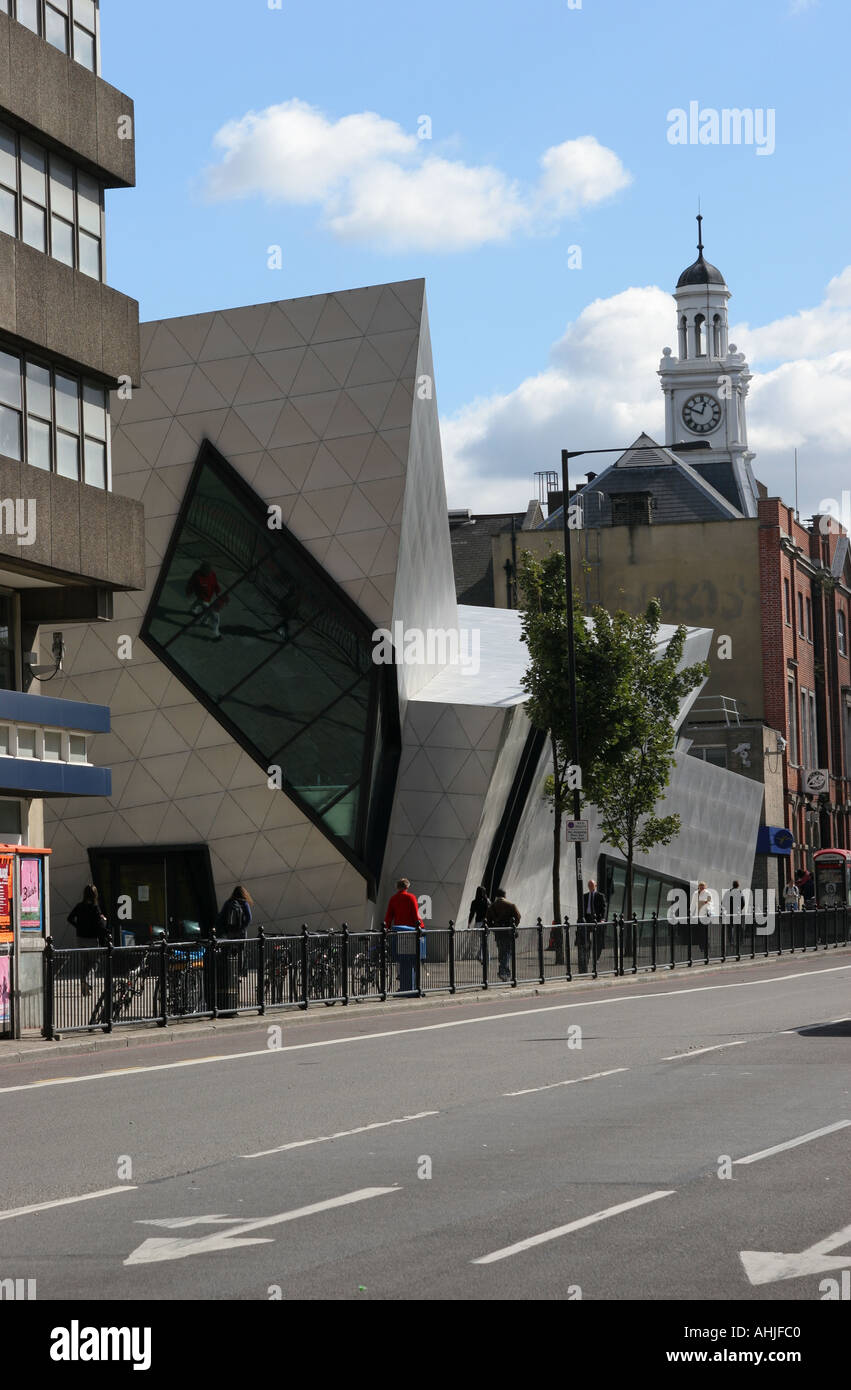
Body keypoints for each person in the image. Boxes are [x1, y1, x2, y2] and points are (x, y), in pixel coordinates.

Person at [67, 884, 109, 997]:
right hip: (92, 939)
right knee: (94, 963)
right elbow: (100, 925)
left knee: (85, 963)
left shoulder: (79, 906)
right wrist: (104, 920)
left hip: (80, 938)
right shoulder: (95, 908)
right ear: (95, 894)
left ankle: (85, 987)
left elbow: (69, 918)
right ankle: (87, 982)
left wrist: (78, 926)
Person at [384, 878, 424, 995]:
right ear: (407, 886)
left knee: (401, 958)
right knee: (413, 959)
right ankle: (414, 986)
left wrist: (386, 929)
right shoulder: (410, 897)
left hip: (399, 932)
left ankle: (403, 983)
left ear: (397, 887)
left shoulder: (393, 899)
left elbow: (388, 916)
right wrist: (421, 927)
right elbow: (415, 914)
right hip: (411, 932)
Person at [216, 885, 253, 978]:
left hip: (230, 932)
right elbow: (249, 917)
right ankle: (239, 973)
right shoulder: (244, 903)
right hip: (241, 932)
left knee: (227, 950)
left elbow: (221, 917)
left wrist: (224, 930)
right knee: (241, 952)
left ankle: (227, 971)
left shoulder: (228, 903)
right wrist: (242, 928)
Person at [485, 888, 520, 983]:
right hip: (508, 933)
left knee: (501, 952)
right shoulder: (511, 906)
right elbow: (518, 917)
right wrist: (513, 926)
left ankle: (505, 972)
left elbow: (488, 921)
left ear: (496, 896)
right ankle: (503, 971)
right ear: (505, 895)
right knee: (507, 952)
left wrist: (495, 928)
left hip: (498, 933)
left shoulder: (491, 907)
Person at [186, 560, 224, 640]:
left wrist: (218, 592)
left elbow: (215, 583)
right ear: (202, 570)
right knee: (215, 615)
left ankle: (194, 611)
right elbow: (191, 583)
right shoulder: (197, 576)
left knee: (200, 605)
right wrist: (189, 592)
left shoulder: (212, 574)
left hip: (209, 597)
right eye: (207, 571)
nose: (209, 573)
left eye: (210, 571)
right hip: (203, 598)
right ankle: (216, 633)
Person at [582, 878, 607, 962]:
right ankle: (587, 957)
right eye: (589, 885)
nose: (590, 887)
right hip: (588, 918)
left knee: (597, 940)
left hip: (597, 919)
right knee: (586, 940)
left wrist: (602, 919)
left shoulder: (600, 896)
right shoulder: (585, 896)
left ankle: (596, 958)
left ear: (595, 886)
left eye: (592, 885)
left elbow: (603, 908)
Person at [466, 885, 489, 964]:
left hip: (477, 923)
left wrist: (469, 923)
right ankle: (483, 957)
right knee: (484, 941)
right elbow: (489, 913)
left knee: (480, 941)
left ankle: (481, 956)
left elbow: (472, 913)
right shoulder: (486, 901)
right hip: (485, 924)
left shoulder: (474, 902)